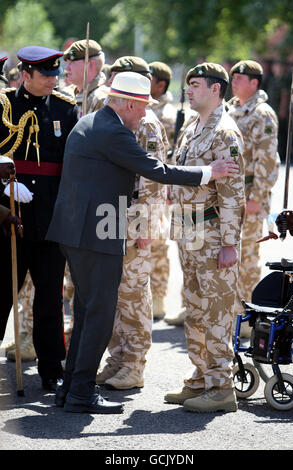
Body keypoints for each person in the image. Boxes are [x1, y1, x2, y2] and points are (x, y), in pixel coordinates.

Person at [46, 71, 239, 414]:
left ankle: (71, 387)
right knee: (99, 314)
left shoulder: (90, 121)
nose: (143, 114)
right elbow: (156, 170)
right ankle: (80, 392)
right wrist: (211, 172)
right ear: (129, 104)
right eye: (142, 107)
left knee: (87, 311)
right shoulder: (113, 130)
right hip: (96, 233)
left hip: (79, 232)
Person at [164, 63, 245, 413]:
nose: (189, 90)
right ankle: (200, 378)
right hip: (190, 230)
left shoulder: (225, 132)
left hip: (213, 234)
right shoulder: (193, 126)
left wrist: (230, 243)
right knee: (195, 308)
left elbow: (232, 191)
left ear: (216, 89)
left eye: (195, 85)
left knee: (216, 310)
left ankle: (221, 387)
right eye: (188, 85)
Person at [0, 46, 78, 391]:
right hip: (8, 219)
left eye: (55, 74)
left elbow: (73, 167)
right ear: (25, 75)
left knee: (49, 298)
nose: (52, 80)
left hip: (49, 217)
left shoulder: (65, 108)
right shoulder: (3, 106)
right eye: (45, 75)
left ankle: (52, 369)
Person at [95, 56, 169, 390]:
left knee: (135, 294)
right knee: (115, 294)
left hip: (135, 218)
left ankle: (135, 364)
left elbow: (154, 180)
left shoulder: (148, 123)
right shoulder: (115, 117)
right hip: (112, 217)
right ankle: (118, 359)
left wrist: (145, 228)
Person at [227, 60, 280, 337]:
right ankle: (232, 311)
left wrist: (257, 198)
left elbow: (268, 160)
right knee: (229, 255)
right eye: (233, 77)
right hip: (229, 196)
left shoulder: (262, 113)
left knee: (246, 257)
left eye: (240, 78)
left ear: (254, 83)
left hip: (249, 197)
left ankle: (247, 318)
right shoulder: (232, 109)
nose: (234, 82)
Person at [147, 61, 177, 320]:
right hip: (146, 186)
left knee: (157, 244)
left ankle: (158, 296)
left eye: (151, 77)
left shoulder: (167, 115)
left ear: (161, 84)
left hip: (162, 187)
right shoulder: (146, 107)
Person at [63, 39, 108, 117]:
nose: (67, 68)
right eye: (67, 63)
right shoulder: (67, 94)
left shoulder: (103, 99)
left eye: (72, 62)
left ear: (90, 65)